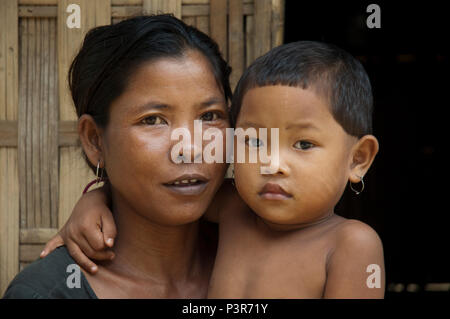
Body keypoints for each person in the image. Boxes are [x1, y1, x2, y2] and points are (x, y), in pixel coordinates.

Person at [39, 41, 386, 298]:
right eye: (254, 141)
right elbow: (155, 191)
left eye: (303, 145)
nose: (272, 164)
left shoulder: (350, 245)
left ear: (359, 159)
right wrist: (94, 200)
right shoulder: (235, 210)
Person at [2, 14, 233, 298]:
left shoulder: (264, 253)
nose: (191, 147)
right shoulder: (48, 293)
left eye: (209, 116)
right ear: (94, 140)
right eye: (153, 120)